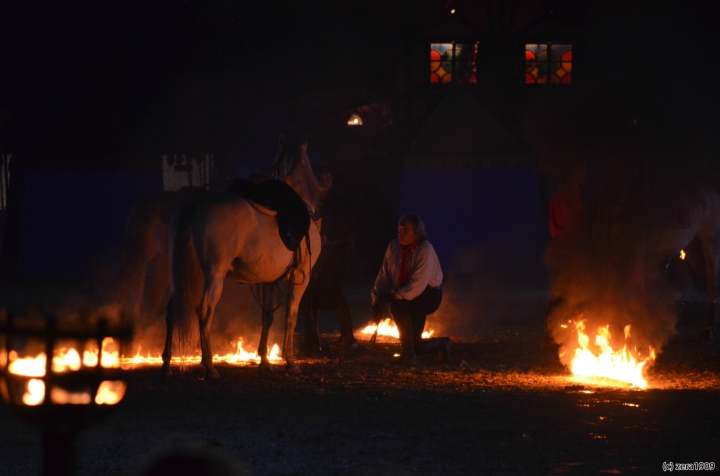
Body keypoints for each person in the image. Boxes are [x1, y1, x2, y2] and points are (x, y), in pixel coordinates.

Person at [371, 213, 451, 366]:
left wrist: (395, 296)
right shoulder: (393, 247)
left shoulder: (425, 249)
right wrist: (376, 301)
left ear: (416, 231)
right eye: (399, 230)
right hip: (407, 295)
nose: (401, 233)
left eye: (405, 230)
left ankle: (408, 355)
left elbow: (418, 285)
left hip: (427, 296)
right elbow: (384, 275)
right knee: (417, 346)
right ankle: (442, 344)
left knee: (397, 307)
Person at [301, 164, 358, 352]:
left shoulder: (339, 202)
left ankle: (348, 337)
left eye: (328, 180)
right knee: (310, 294)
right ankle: (311, 339)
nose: (324, 183)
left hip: (335, 255)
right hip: (314, 255)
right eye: (321, 180)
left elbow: (347, 226)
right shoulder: (311, 201)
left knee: (333, 293)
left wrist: (328, 237)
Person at [543, 166, 588, 350]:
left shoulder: (570, 195)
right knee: (561, 294)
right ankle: (552, 336)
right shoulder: (564, 197)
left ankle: (568, 335)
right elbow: (570, 224)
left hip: (569, 250)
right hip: (567, 251)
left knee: (572, 294)